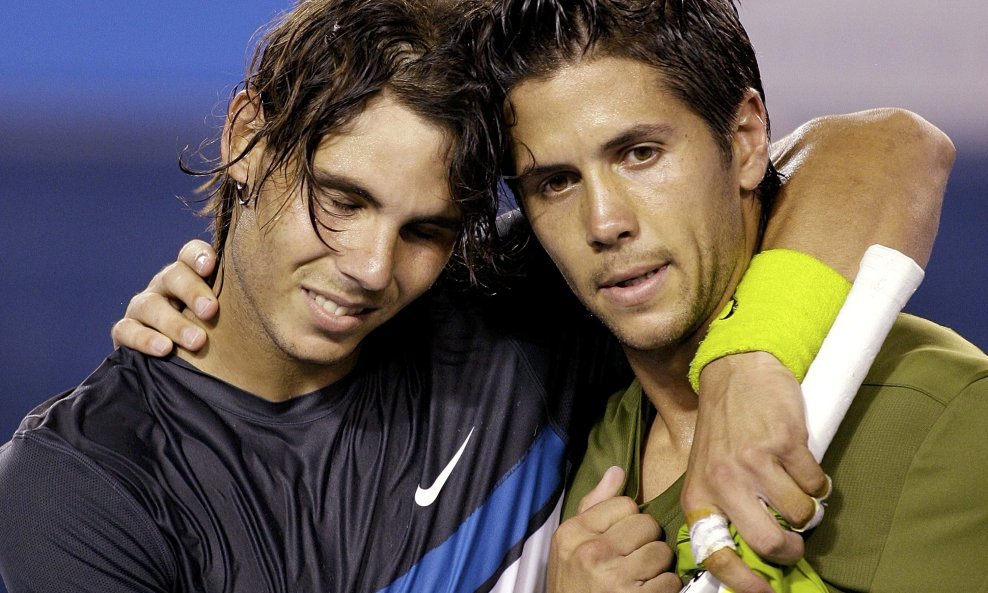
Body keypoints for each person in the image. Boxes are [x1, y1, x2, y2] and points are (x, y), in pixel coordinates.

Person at [0, 2, 954, 593]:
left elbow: (890, 148)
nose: (374, 267)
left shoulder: (516, 308)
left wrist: (753, 355)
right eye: (342, 201)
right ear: (248, 135)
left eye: (427, 229)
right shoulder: (80, 490)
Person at [468, 1, 986, 592]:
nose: (604, 222)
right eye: (556, 182)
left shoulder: (941, 413)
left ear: (745, 139)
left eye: (640, 154)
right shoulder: (591, 453)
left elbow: (893, 143)